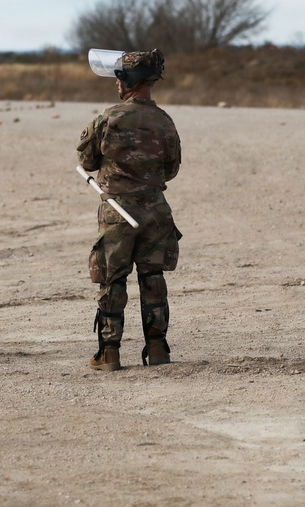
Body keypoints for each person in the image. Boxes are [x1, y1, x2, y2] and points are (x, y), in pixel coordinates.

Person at [77, 49, 182, 370]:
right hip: (155, 211)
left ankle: (109, 352)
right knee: (152, 277)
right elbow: (172, 169)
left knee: (112, 279)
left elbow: (86, 161)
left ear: (126, 81)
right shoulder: (165, 120)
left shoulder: (108, 119)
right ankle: (158, 349)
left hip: (117, 211)